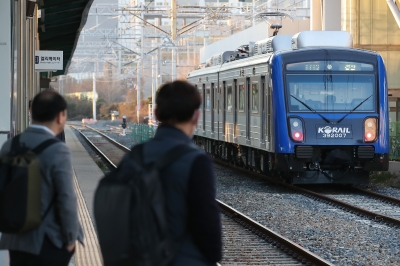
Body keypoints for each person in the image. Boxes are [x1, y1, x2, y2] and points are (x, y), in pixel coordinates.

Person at [142, 80, 222, 265]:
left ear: (156, 114)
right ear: (196, 116)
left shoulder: (136, 156)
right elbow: (207, 222)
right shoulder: (196, 160)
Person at [0, 90, 83, 266]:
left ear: (32, 113)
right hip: (48, 240)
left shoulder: (10, 145)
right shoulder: (58, 150)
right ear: (60, 117)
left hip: (16, 238)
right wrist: (70, 238)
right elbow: (66, 198)